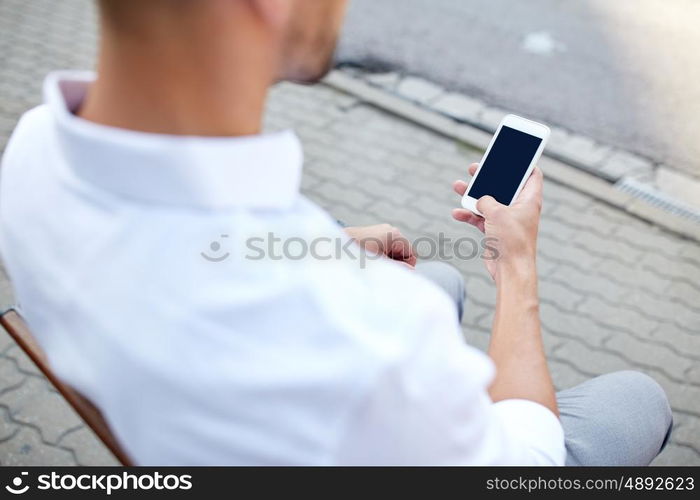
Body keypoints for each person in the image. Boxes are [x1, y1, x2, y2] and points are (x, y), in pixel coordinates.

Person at [0, 0, 671, 465]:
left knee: (432, 279)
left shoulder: (33, 148)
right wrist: (518, 265)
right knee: (637, 401)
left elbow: (176, 255)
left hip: (174, 421)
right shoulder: (366, 340)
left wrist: (328, 245)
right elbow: (519, 461)